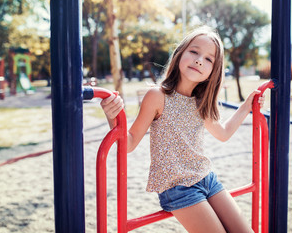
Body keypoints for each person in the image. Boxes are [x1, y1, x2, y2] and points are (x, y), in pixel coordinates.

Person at [101, 26, 264, 233]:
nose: (199, 60)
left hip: (207, 178)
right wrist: (113, 116)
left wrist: (247, 106)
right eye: (194, 52)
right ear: (180, 54)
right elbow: (129, 143)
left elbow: (222, 133)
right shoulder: (157, 96)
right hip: (178, 188)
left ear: (213, 71)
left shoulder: (200, 101)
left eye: (208, 59)